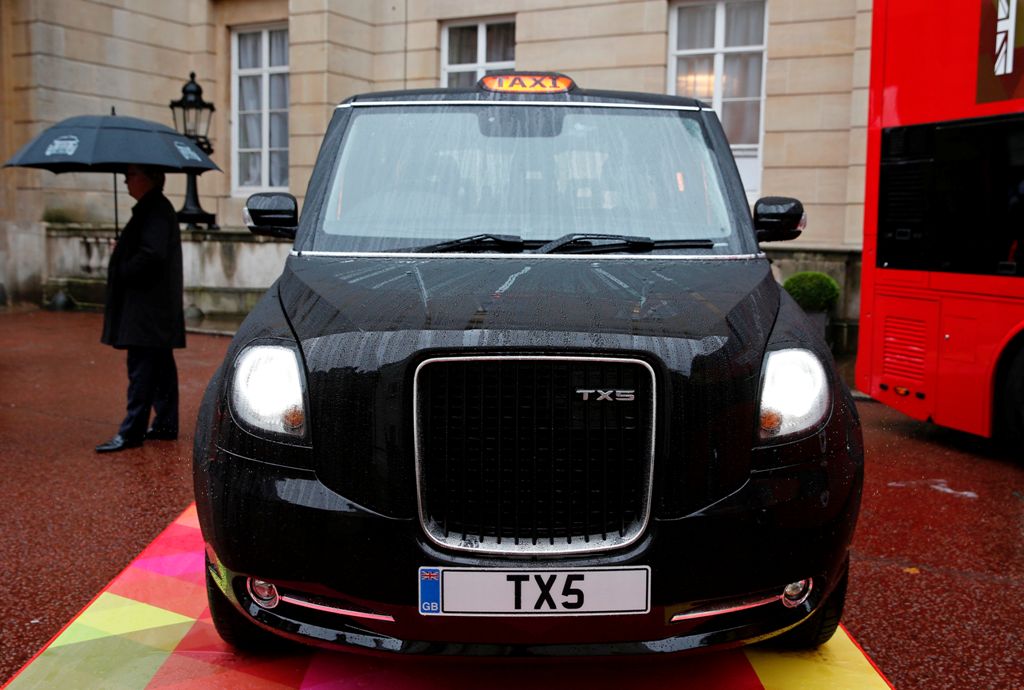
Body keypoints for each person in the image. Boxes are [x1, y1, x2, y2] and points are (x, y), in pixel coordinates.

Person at [95, 164, 185, 453]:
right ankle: (165, 424)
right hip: (153, 308)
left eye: (131, 175)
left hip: (147, 309)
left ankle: (132, 431)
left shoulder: (154, 209)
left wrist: (122, 265)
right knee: (159, 366)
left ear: (149, 178)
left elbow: (151, 255)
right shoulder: (153, 208)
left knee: (143, 369)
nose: (124, 180)